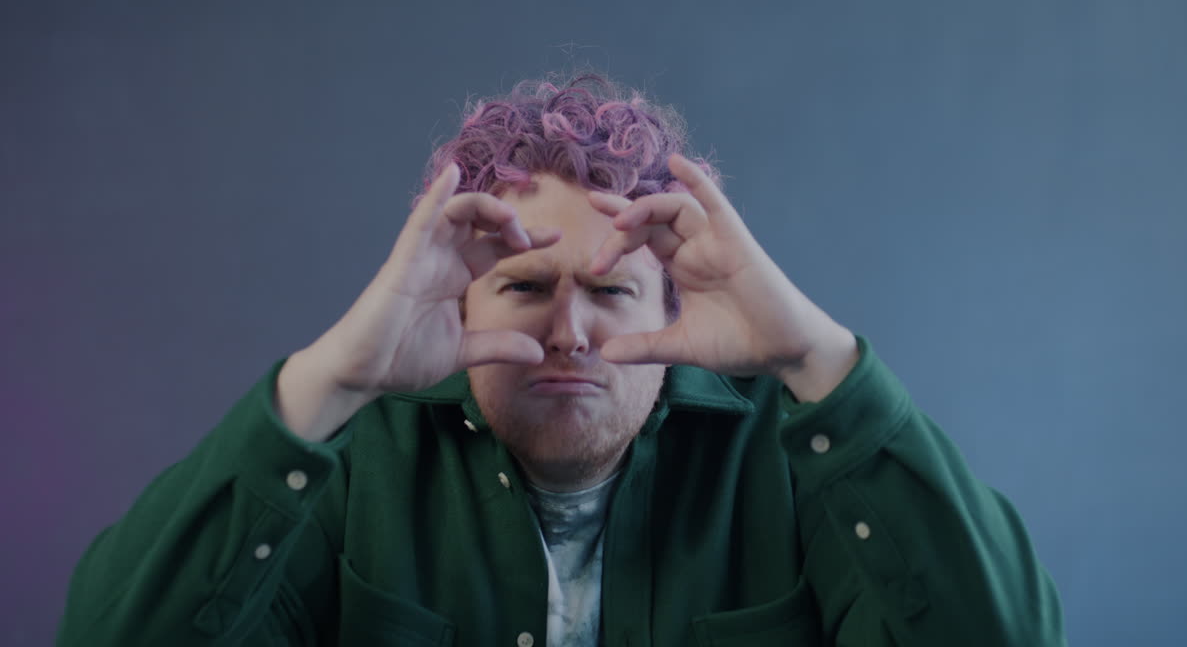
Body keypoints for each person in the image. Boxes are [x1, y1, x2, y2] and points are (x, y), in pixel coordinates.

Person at [58, 74, 1066, 646]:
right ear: (460, 300)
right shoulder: (357, 457)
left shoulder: (791, 454)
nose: (568, 335)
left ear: (674, 305)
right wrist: (332, 379)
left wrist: (813, 355)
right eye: (527, 288)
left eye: (611, 291)